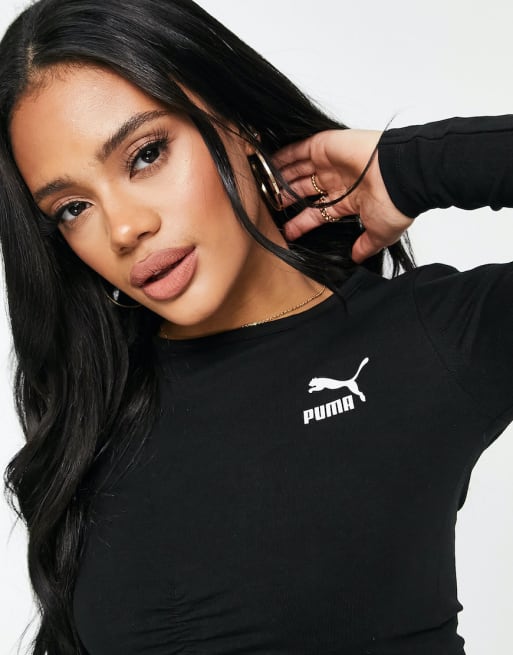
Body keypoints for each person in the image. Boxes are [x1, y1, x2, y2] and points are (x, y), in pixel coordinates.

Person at [0, 0, 512, 653]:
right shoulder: (95, 414)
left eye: (147, 154)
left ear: (237, 123)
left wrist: (412, 168)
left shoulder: (425, 340)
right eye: (73, 207)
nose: (124, 228)